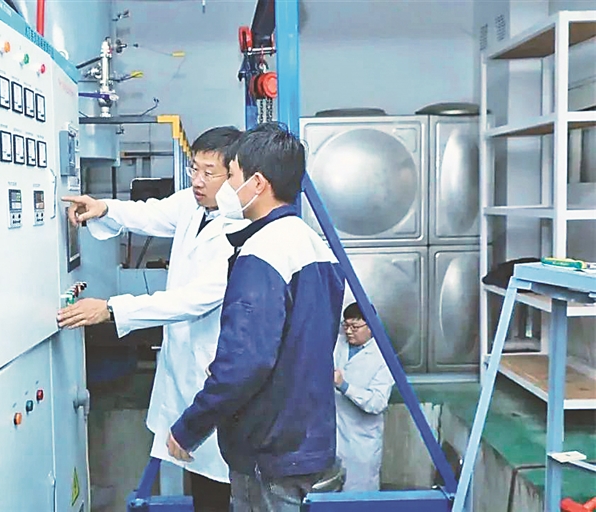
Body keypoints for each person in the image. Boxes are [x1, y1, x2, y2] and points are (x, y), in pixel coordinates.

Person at [57, 126, 246, 512]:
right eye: (194, 169)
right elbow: (150, 213)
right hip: (185, 368)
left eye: (209, 172)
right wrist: (104, 208)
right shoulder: (194, 205)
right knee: (202, 484)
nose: (197, 180)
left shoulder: (241, 229)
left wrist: (111, 309)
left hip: (214, 371)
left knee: (225, 485)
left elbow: (194, 300)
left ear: (234, 174)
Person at [167, 123, 346, 512]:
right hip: (307, 439)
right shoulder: (315, 246)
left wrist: (189, 427)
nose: (227, 188)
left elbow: (246, 363)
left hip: (268, 451)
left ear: (258, 183)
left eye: (232, 176)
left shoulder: (262, 253)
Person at [333, 302, 395, 492]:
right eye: (346, 325)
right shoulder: (338, 343)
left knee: (359, 496)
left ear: (371, 326)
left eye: (355, 327)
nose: (348, 331)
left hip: (361, 443)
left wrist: (345, 386)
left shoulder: (383, 357)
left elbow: (378, 402)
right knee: (330, 495)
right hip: (333, 436)